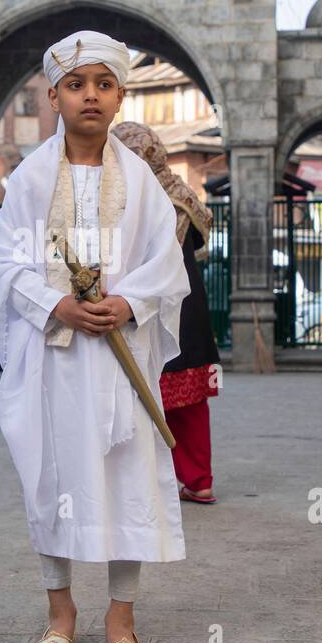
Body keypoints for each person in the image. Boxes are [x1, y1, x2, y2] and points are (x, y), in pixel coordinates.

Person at [0, 30, 190, 643]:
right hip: (54, 359)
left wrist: (128, 303)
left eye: (104, 84)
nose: (90, 96)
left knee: (127, 480)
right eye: (76, 85)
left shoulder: (142, 184)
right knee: (52, 478)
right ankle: (60, 613)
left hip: (119, 358)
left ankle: (121, 619)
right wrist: (57, 305)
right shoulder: (28, 179)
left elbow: (166, 261)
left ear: (121, 96)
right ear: (54, 97)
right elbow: (5, 264)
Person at [114, 121, 220, 505]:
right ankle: (199, 480)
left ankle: (148, 482)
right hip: (191, 312)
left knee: (145, 396)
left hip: (154, 309)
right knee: (189, 403)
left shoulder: (141, 202)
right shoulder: (182, 195)